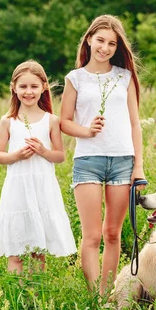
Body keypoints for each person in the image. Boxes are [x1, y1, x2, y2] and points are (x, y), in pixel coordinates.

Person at [60, 15, 146, 295]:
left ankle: (108, 298)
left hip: (123, 162)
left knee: (112, 234)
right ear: (89, 39)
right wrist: (85, 131)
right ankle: (94, 298)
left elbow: (135, 124)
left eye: (112, 43)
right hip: (88, 162)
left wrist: (139, 167)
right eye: (100, 41)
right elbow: (64, 121)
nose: (105, 48)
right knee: (92, 235)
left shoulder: (125, 77)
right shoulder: (75, 78)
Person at [0, 60, 76, 273]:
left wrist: (43, 151)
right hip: (17, 190)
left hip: (42, 189)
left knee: (38, 251)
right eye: (23, 86)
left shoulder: (50, 120)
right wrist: (16, 155)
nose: (28, 92)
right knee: (16, 250)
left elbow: (59, 156)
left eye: (33, 86)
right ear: (14, 87)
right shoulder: (8, 121)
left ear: (43, 88)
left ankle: (35, 300)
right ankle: (15, 298)